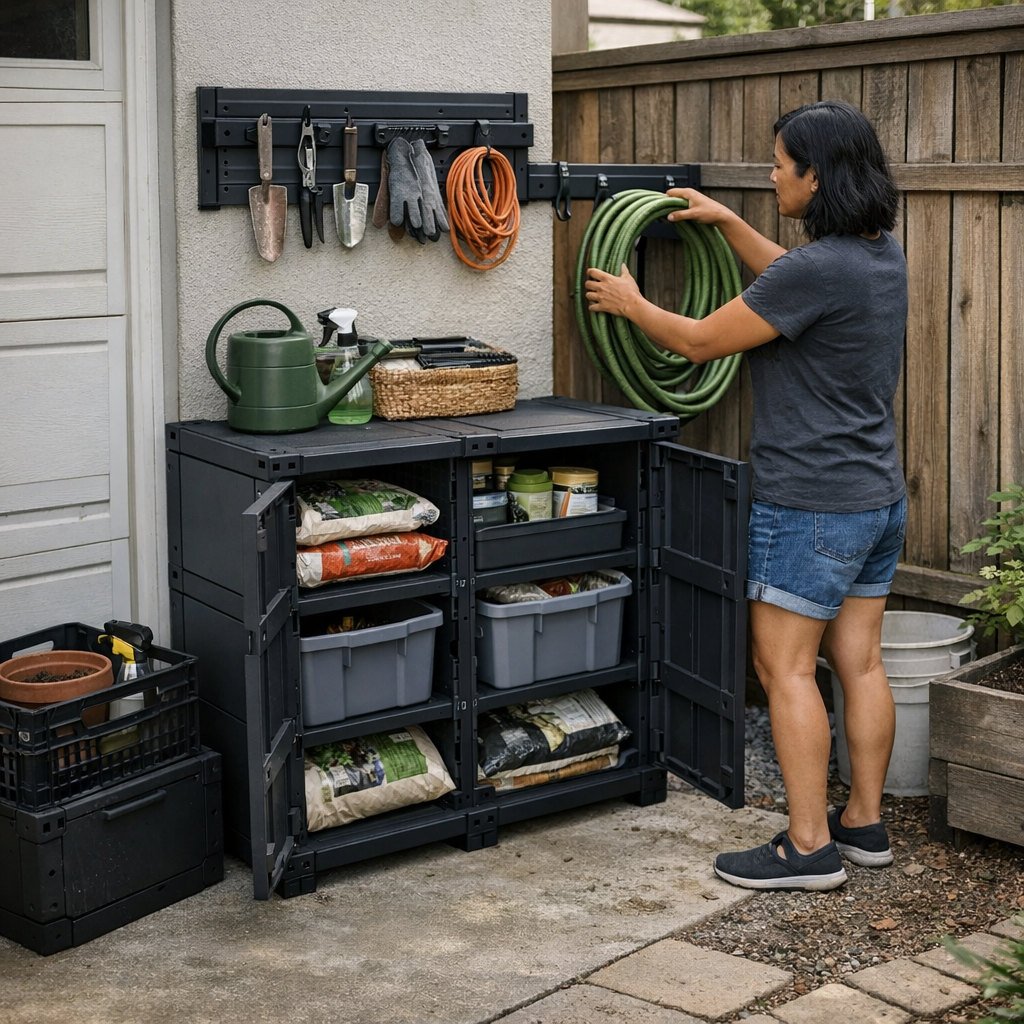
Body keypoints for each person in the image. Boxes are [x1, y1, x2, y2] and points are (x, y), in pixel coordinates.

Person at [584, 100, 908, 891]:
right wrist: (728, 220)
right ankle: (862, 824)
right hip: (875, 497)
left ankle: (806, 848)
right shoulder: (876, 253)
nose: (771, 177)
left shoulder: (818, 267)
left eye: (779, 165)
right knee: (859, 664)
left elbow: (697, 341)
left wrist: (632, 304)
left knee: (785, 669)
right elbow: (786, 278)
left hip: (810, 505)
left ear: (817, 175)